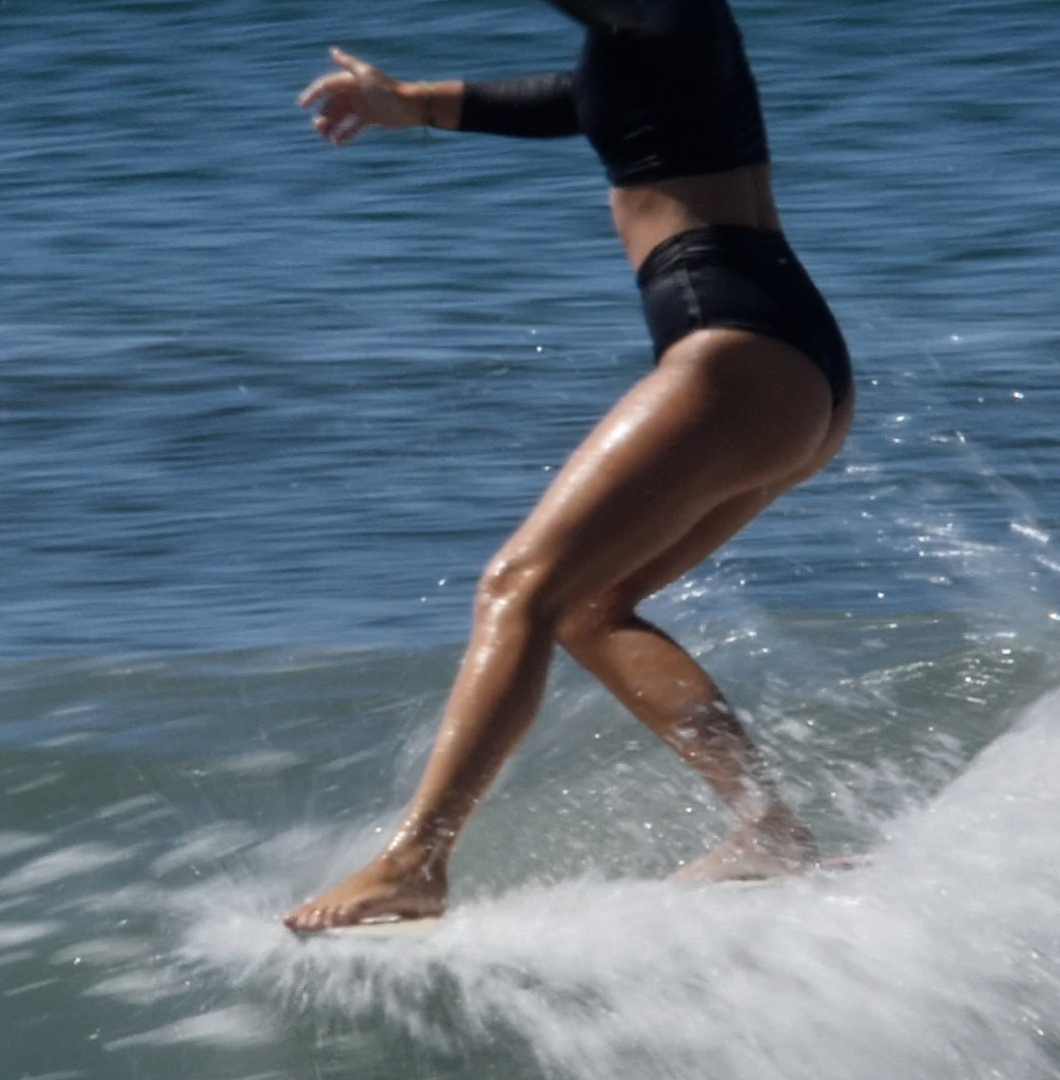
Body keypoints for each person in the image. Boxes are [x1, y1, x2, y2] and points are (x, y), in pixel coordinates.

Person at [284, 0, 855, 933]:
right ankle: (768, 829)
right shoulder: (660, 36)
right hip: (787, 369)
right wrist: (417, 104)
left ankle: (415, 863)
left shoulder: (665, 11)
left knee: (518, 588)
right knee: (590, 606)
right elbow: (581, 98)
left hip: (734, 355)